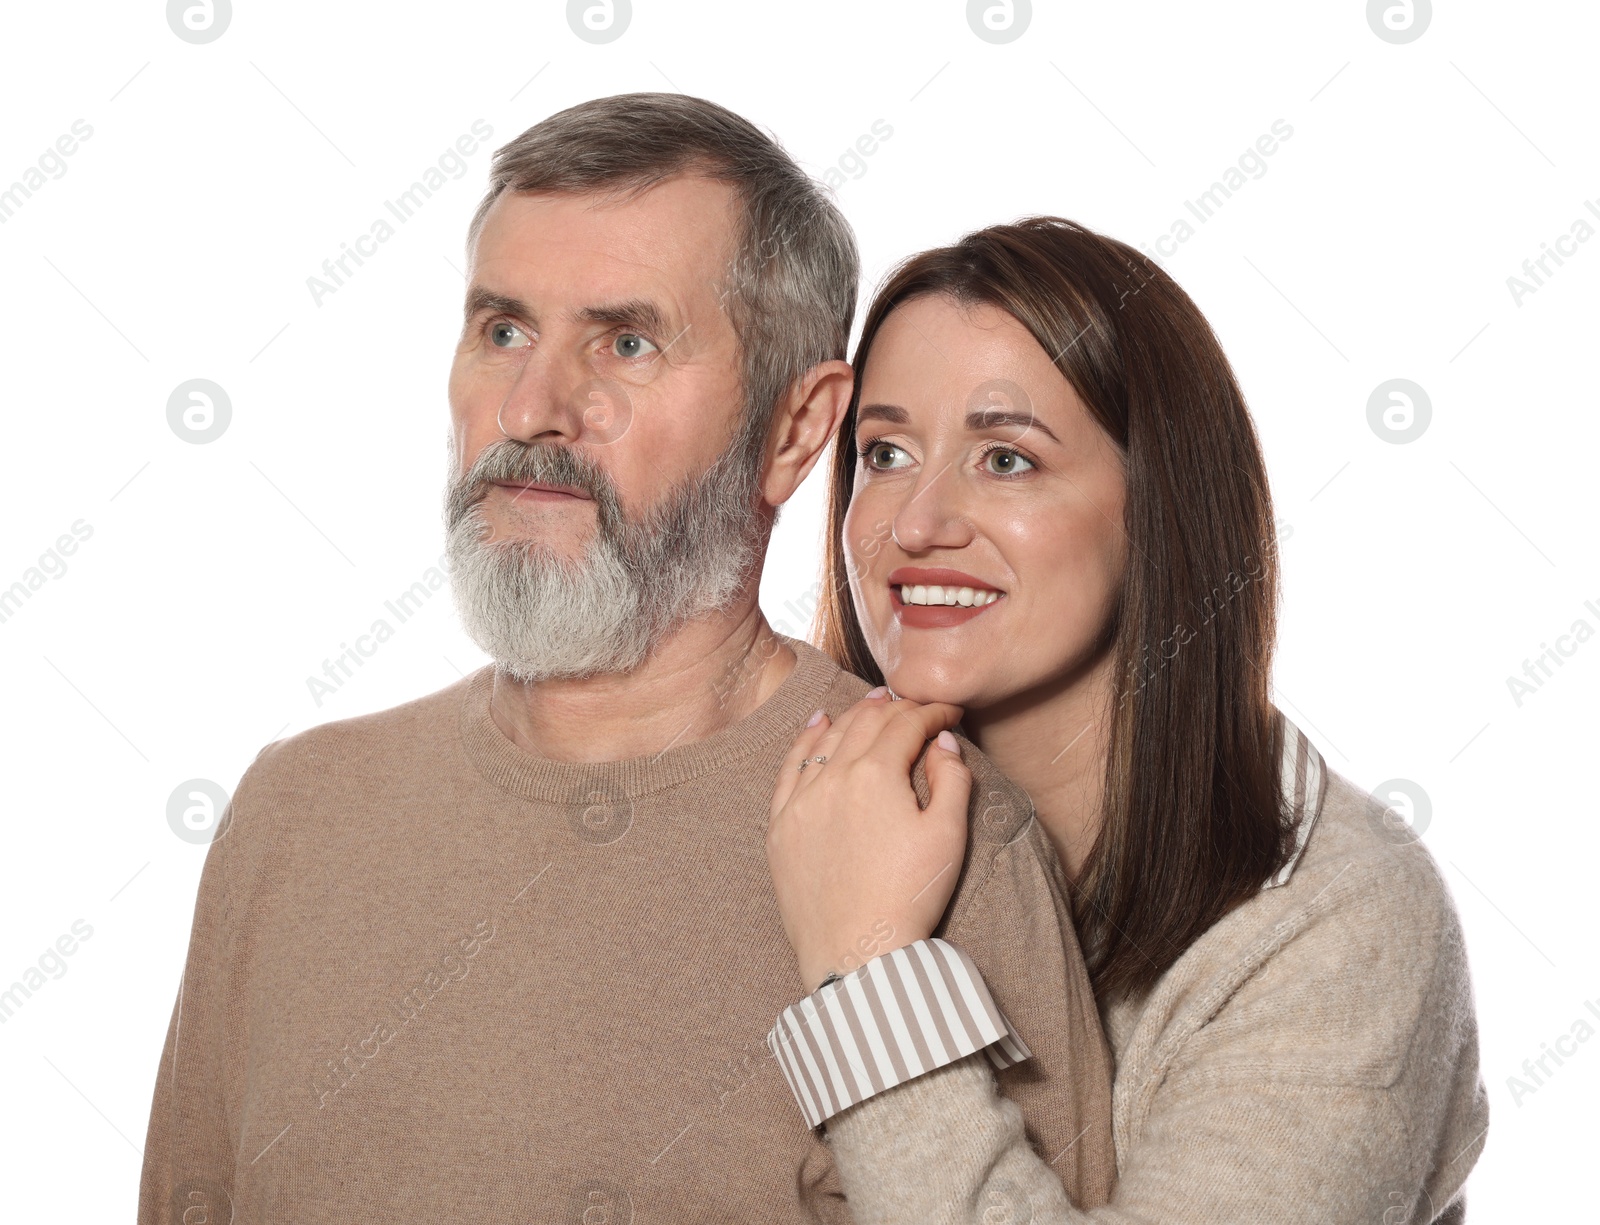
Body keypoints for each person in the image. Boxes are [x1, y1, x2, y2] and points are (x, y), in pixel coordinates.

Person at [135, 96, 1117, 1222]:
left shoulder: (938, 833)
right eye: (503, 330)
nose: (531, 408)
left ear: (796, 429)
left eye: (626, 342)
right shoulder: (293, 812)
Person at [764, 217, 1490, 1223]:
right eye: (884, 452)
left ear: (1157, 505)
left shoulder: (1336, 919)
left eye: (1005, 459)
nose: (916, 523)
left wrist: (870, 968)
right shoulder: (802, 816)